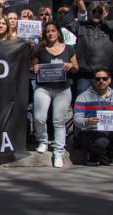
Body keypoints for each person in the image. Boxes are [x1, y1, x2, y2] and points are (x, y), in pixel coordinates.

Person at [60, 0, 113, 96]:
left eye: (100, 11)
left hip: (106, 76)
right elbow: (66, 21)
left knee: (106, 107)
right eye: (94, 11)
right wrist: (75, 3)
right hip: (85, 75)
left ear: (106, 13)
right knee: (84, 106)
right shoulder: (81, 26)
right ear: (89, 12)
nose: (97, 14)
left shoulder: (112, 26)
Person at [32, 22, 79, 168]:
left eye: (53, 31)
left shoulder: (69, 49)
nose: (50, 33)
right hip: (43, 88)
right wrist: (35, 68)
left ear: (59, 33)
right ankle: (43, 140)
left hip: (62, 89)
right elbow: (32, 66)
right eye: (48, 31)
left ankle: (59, 152)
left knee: (59, 121)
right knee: (39, 118)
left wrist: (71, 66)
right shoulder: (40, 49)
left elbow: (77, 68)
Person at [73, 68, 113, 166]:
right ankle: (92, 153)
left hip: (111, 131)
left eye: (104, 78)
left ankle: (110, 153)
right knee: (101, 142)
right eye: (98, 79)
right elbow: (77, 120)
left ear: (109, 80)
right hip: (90, 131)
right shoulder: (83, 97)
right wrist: (87, 121)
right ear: (93, 80)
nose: (101, 81)